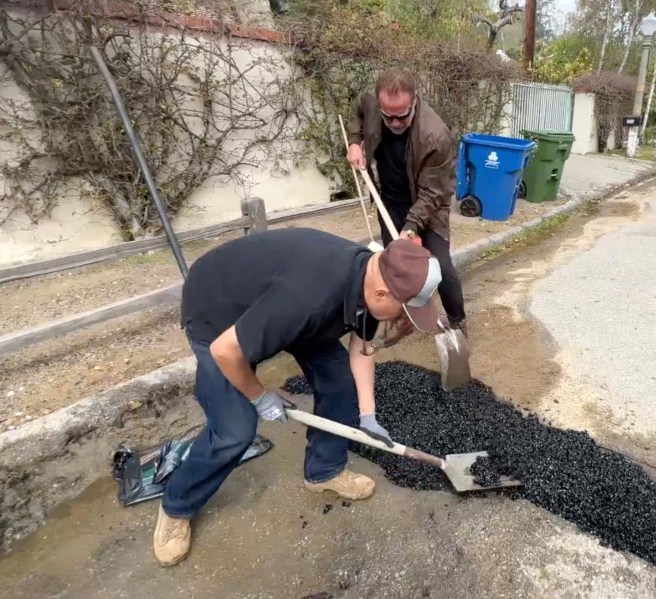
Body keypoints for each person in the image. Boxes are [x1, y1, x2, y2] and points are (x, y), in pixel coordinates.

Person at [153, 227, 442, 567]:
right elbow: (226, 351)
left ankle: (324, 471)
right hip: (217, 312)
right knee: (235, 429)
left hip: (280, 307)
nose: (402, 319)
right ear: (380, 294)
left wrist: (368, 415)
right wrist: (259, 397)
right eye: (402, 311)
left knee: (340, 384)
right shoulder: (308, 298)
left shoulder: (367, 278)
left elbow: (363, 348)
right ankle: (177, 505)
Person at [346, 68, 467, 343]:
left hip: (428, 203)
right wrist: (355, 142)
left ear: (414, 101)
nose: (395, 122)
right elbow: (359, 113)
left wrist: (411, 228)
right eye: (388, 116)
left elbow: (434, 192)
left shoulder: (435, 135)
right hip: (389, 200)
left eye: (402, 115)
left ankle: (458, 324)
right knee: (394, 265)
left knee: (441, 267)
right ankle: (402, 316)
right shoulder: (373, 102)